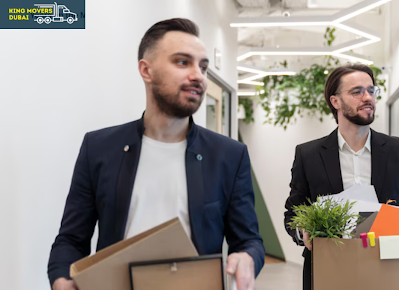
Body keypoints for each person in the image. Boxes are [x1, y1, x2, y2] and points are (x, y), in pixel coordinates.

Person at [48, 18, 264, 290]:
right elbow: (71, 239)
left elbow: (249, 241)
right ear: (146, 70)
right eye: (182, 62)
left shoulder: (229, 155)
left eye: (203, 66)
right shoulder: (99, 148)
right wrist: (61, 279)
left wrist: (247, 258)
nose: (198, 75)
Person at [284, 64, 399, 290]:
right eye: (357, 92)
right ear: (335, 101)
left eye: (371, 90)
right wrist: (303, 232)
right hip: (329, 270)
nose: (367, 97)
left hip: (389, 269)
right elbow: (293, 213)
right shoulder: (308, 155)